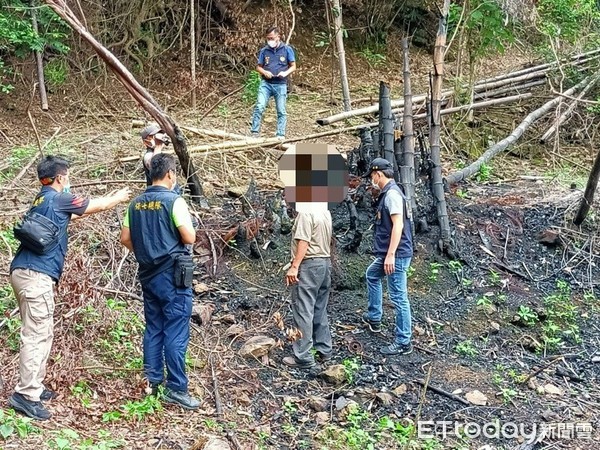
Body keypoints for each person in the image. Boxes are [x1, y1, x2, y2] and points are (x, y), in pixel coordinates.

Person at [8, 155, 131, 420]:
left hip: (23, 272)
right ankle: (25, 395)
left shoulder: (41, 200)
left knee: (43, 331)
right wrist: (118, 197)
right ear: (61, 177)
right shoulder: (60, 197)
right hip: (36, 274)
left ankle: (35, 387)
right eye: (68, 175)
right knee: (36, 334)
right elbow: (95, 206)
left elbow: (65, 220)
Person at [120, 153, 200, 410]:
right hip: (174, 277)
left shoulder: (135, 204)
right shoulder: (174, 201)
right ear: (169, 174)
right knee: (175, 331)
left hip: (148, 275)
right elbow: (189, 238)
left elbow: (125, 239)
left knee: (154, 327)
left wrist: (145, 252)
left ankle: (152, 381)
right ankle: (176, 388)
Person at [362, 158, 414, 356]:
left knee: (399, 297)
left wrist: (391, 255)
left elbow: (398, 225)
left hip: (396, 254)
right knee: (372, 275)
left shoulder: (392, 195)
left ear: (379, 174)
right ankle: (374, 316)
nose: (372, 180)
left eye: (372, 176)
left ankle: (403, 341)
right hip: (389, 253)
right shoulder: (391, 192)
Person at [283, 202, 333, 369]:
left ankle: (303, 357)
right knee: (320, 307)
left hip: (309, 264)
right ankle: (324, 349)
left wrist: (295, 266)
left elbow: (303, 241)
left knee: (303, 308)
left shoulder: (306, 213)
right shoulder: (324, 211)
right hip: (325, 263)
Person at [250, 26, 296, 139]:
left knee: (281, 110)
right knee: (259, 106)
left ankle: (280, 134)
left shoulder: (287, 49)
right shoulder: (264, 51)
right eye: (268, 38)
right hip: (266, 84)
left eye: (272, 38)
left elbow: (293, 66)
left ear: (278, 37)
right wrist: (264, 72)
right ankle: (254, 132)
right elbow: (258, 67)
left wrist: (285, 73)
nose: (270, 40)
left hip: (280, 84)